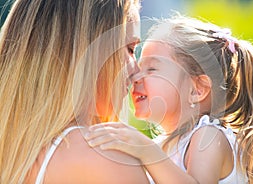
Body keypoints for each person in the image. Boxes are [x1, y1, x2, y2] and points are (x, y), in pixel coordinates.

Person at [86, 15, 253, 183]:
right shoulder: (165, 145)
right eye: (138, 66)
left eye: (152, 69)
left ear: (197, 90)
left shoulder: (209, 136)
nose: (135, 76)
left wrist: (147, 151)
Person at [0, 0, 150, 183]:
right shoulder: (103, 157)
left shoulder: (15, 155)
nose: (136, 70)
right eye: (130, 49)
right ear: (90, 50)